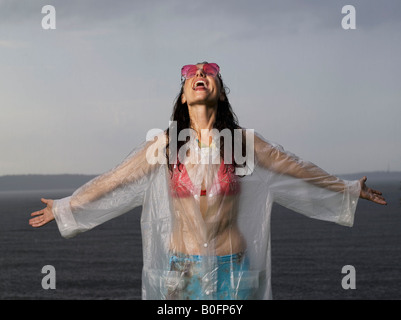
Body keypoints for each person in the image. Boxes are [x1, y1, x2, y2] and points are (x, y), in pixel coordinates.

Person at [29, 62, 386, 300]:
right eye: (191, 72)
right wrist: (67, 206)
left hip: (234, 271)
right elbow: (116, 180)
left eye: (209, 70)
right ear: (184, 95)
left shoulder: (245, 142)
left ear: (220, 91)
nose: (200, 71)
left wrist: (348, 188)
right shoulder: (166, 144)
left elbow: (296, 168)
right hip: (181, 272)